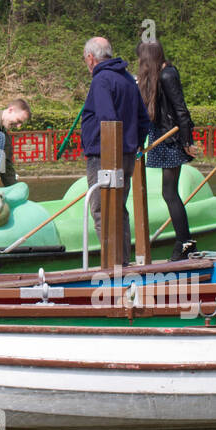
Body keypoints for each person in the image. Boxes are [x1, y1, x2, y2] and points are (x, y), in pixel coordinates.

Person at [81, 37, 151, 265]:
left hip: (106, 155)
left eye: (85, 59)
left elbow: (106, 118)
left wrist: (116, 148)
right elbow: (143, 119)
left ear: (91, 58)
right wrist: (135, 146)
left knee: (103, 210)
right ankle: (122, 261)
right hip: (128, 153)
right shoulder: (127, 79)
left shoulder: (101, 80)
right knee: (118, 208)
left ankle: (112, 263)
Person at [136, 39, 200, 260]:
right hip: (162, 135)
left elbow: (181, 109)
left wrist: (186, 142)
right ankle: (184, 241)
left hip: (171, 138)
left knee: (169, 192)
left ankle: (185, 242)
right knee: (168, 192)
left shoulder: (167, 75)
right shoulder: (158, 75)